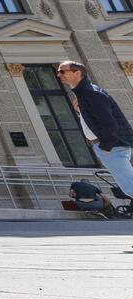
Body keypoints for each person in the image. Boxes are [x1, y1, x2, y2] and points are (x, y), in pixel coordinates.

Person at [57, 60, 133, 199]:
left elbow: (109, 123)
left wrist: (106, 146)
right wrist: (80, 111)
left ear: (77, 73)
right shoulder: (85, 93)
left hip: (112, 146)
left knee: (130, 187)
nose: (58, 74)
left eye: (62, 71)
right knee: (129, 186)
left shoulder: (91, 93)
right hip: (110, 146)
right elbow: (96, 120)